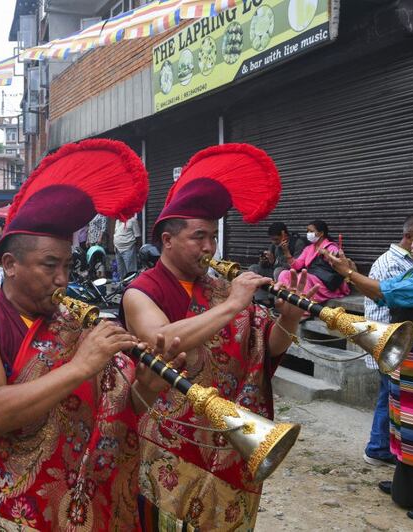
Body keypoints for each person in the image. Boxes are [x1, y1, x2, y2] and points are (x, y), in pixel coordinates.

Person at [0, 139, 172, 529]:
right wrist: (81, 365)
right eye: (50, 265)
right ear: (10, 265)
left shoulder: (72, 321)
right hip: (8, 506)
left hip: (82, 501)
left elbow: (112, 409)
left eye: (67, 265)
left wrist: (147, 387)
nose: (62, 279)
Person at [121, 144, 312, 530]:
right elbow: (160, 340)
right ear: (167, 240)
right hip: (168, 443)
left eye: (212, 236)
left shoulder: (220, 286)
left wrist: (288, 321)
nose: (209, 247)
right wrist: (232, 304)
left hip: (230, 438)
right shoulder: (142, 291)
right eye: (198, 237)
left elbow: (264, 351)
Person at [325, 218, 413, 524]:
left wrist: (348, 272)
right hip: (409, 356)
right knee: (402, 421)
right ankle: (408, 488)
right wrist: (350, 273)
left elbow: (392, 292)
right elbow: (381, 295)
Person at [361, 214, 413, 468]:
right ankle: (381, 449)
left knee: (396, 400)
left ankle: (387, 450)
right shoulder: (398, 264)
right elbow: (388, 294)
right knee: (392, 399)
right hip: (391, 342)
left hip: (402, 346)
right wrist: (347, 272)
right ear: (411, 237)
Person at [277, 220, 349, 302]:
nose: (308, 234)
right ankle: (287, 302)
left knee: (303, 277)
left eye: (311, 231)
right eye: (307, 231)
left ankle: (304, 309)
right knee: (284, 274)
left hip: (326, 283)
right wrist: (286, 251)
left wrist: (327, 254)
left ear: (321, 233)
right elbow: (297, 266)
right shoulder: (308, 248)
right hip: (312, 279)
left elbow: (340, 265)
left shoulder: (331, 247)